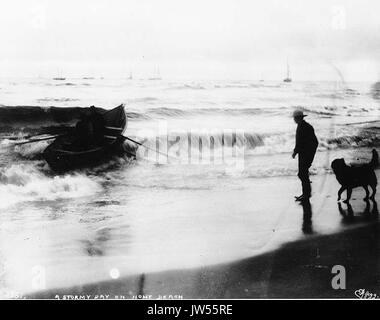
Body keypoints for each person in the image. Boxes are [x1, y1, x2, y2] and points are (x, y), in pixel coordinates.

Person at [292, 110, 318, 202]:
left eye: (294, 118)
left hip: (305, 154)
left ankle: (306, 194)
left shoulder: (303, 127)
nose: (294, 119)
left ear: (298, 118)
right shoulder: (304, 126)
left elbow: (299, 142)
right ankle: (306, 194)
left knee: (302, 174)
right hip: (306, 154)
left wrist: (295, 152)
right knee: (303, 174)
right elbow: (315, 142)